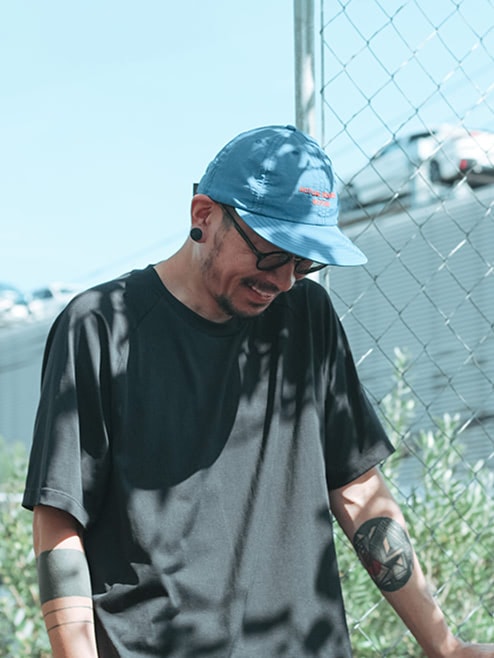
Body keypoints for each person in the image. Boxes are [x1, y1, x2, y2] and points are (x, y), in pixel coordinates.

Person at [23, 125, 494, 658]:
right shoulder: (101, 326)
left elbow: (359, 491)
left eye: (304, 262)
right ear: (204, 216)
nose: (286, 280)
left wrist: (445, 646)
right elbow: (60, 516)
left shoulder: (307, 318)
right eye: (272, 254)